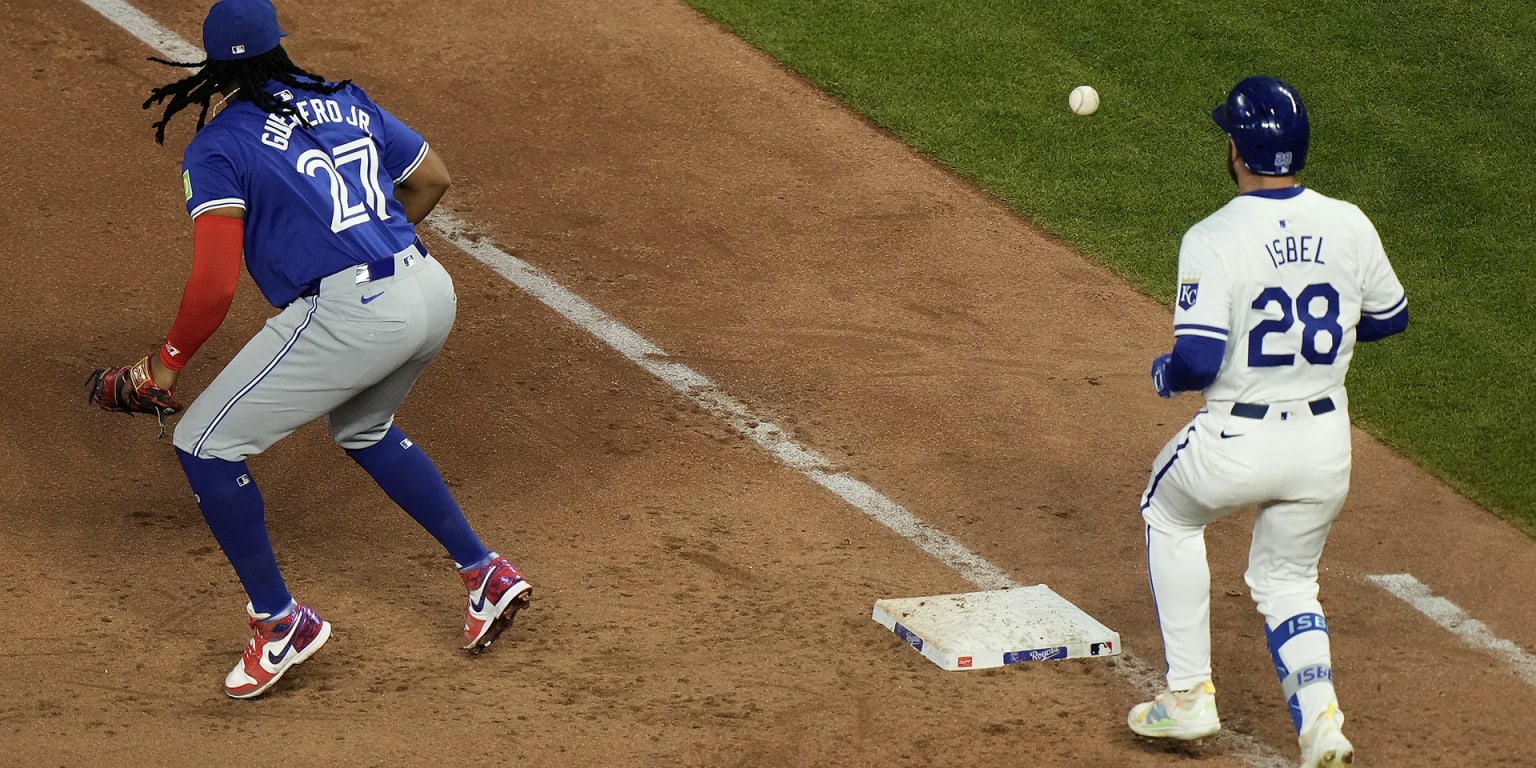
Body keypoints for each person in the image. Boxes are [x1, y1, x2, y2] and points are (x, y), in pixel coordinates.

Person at [87, 0, 532, 699]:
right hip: (430, 289)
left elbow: (212, 284)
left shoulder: (220, 145)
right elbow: (431, 178)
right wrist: (376, 239)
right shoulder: (344, 100)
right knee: (363, 427)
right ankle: (485, 573)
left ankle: (280, 622)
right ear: (278, 46)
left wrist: (164, 365)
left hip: (356, 313)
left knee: (203, 444)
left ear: (213, 67)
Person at [1126, 76, 1408, 767]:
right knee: (1286, 581)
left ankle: (1189, 696)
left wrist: (1166, 372)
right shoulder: (1350, 222)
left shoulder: (1214, 235)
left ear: (1236, 150)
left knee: (1167, 513)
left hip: (1237, 442)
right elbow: (1390, 316)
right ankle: (1322, 731)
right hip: (1323, 445)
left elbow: (1196, 358)